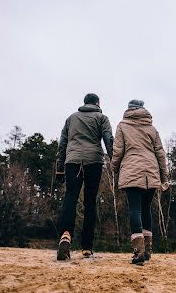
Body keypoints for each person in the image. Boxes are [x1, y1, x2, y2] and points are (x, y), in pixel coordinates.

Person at [55, 93, 113, 260]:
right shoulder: (102, 118)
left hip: (72, 161)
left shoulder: (71, 119)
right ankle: (87, 247)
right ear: (98, 103)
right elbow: (108, 140)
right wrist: (114, 161)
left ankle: (65, 235)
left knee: (70, 197)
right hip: (93, 161)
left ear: (84, 103)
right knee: (90, 201)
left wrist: (60, 169)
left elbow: (62, 145)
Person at [111, 99, 168, 264]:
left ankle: (139, 250)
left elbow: (117, 150)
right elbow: (160, 154)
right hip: (151, 173)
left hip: (131, 170)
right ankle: (148, 250)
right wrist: (164, 177)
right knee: (146, 209)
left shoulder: (122, 126)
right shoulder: (152, 128)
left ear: (128, 110)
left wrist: (115, 169)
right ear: (143, 110)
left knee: (134, 209)